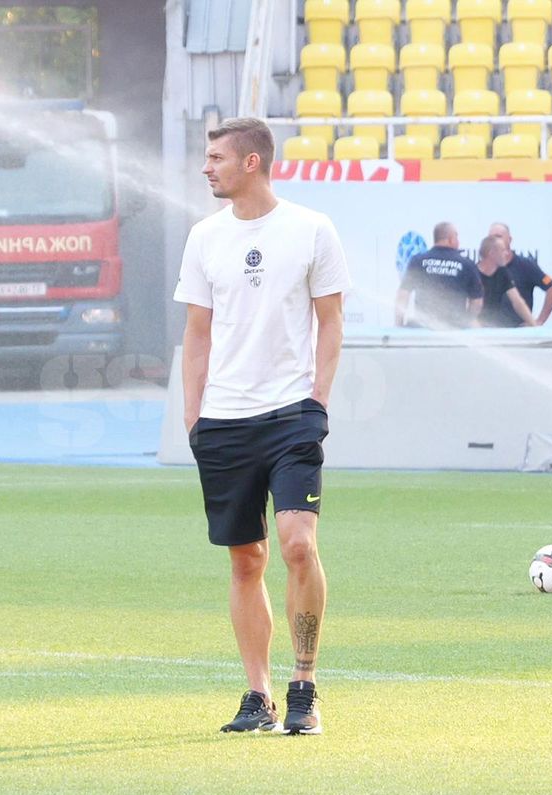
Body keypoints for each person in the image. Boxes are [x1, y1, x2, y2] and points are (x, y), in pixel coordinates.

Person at [173, 117, 350, 735]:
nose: (206, 166)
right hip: (223, 421)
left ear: (251, 162)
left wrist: (318, 398)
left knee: (299, 544)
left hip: (291, 416)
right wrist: (193, 415)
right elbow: (198, 332)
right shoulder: (204, 238)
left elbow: (331, 321)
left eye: (216, 157)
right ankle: (258, 696)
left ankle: (304, 685)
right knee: (246, 561)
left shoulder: (311, 230)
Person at [394, 221, 482, 328]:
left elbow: (403, 295)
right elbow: (477, 303)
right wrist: (465, 321)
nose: (458, 242)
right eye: (456, 237)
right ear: (450, 239)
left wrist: (398, 325)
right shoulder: (467, 264)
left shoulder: (417, 261)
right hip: (454, 330)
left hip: (422, 328)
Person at [488, 222, 552, 326]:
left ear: (509, 240)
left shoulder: (526, 265)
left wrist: (539, 321)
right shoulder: (484, 267)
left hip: (519, 336)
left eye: (499, 236)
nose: (494, 241)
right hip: (490, 335)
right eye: (490, 238)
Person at [476, 235, 537, 327]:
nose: (507, 254)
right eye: (503, 250)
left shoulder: (502, 272)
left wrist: (534, 325)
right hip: (474, 328)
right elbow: (467, 306)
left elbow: (518, 302)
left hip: (494, 326)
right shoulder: (473, 273)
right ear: (492, 253)